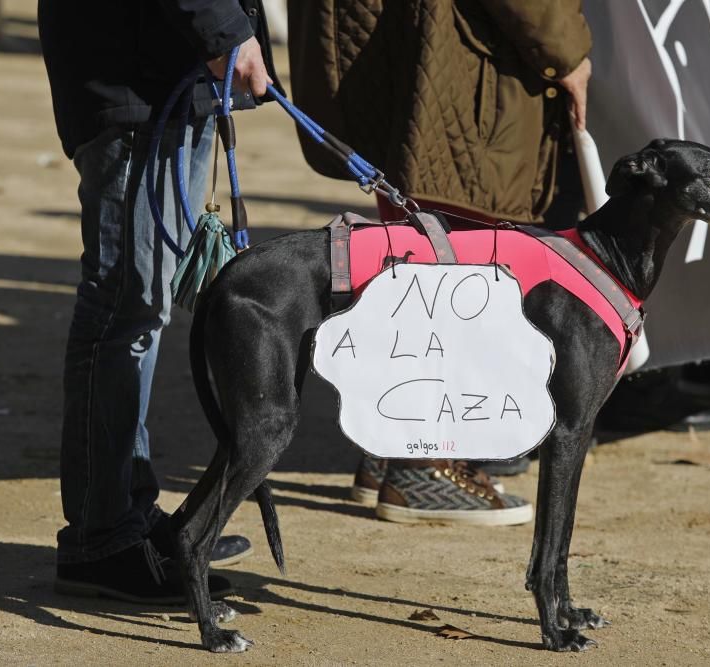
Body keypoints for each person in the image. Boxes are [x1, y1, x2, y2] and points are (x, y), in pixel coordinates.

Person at [288, 0, 592, 525]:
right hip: (457, 57)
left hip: (388, 45)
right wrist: (567, 49)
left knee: (413, 248)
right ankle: (423, 465)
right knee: (453, 262)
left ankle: (389, 452)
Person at [38, 0, 280, 603]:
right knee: (126, 307)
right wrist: (226, 31)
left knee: (140, 310)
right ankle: (103, 536)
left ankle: (126, 516)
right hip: (135, 77)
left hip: (167, 71)